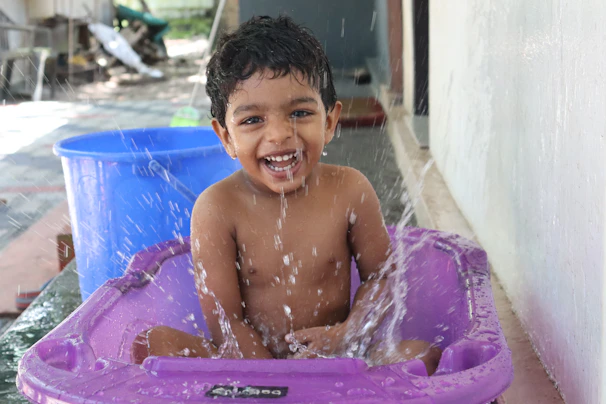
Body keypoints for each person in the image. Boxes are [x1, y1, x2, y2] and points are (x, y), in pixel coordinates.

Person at [132, 15, 441, 375]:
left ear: (329, 121)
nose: (279, 135)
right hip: (248, 367)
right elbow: (224, 319)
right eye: (252, 120)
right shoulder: (218, 208)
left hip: (335, 358)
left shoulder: (349, 189)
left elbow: (382, 278)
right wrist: (277, 381)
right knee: (153, 344)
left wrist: (346, 334)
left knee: (423, 356)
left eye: (299, 112)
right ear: (226, 136)